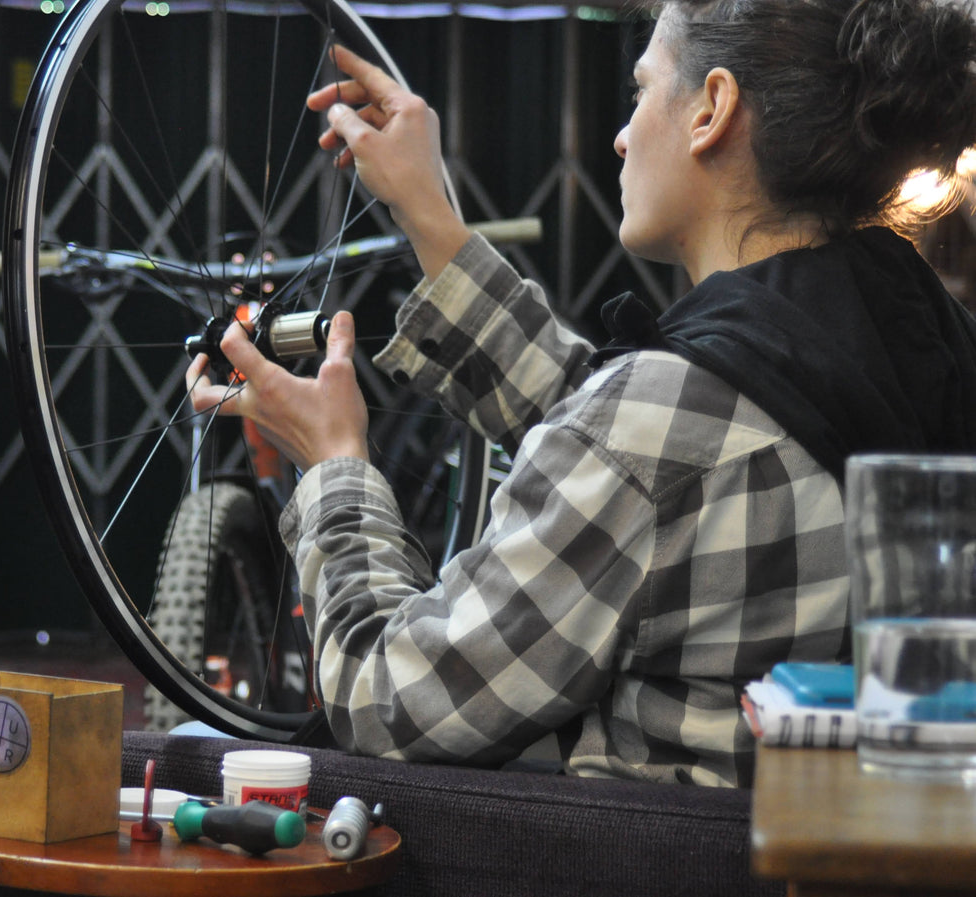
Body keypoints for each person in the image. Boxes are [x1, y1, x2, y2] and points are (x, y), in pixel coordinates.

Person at [187, 0, 976, 786]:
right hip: (831, 835)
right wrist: (428, 213)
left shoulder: (666, 420)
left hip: (622, 846)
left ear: (712, 109)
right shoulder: (918, 339)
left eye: (643, 89)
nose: (623, 135)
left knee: (195, 753)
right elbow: (633, 461)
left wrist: (334, 465)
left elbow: (384, 698)